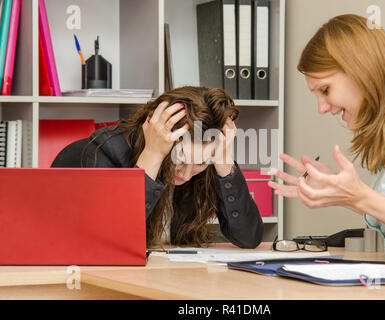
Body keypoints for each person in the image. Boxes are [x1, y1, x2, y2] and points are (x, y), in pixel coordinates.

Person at [268, 14, 385, 272]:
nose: (321, 108)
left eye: (325, 90)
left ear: (361, 69)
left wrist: (362, 198)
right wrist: (343, 194)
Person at [56, 86, 263, 249]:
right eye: (179, 159)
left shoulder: (209, 160)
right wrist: (152, 155)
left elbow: (248, 237)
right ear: (158, 134)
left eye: (200, 163)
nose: (187, 174)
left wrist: (223, 163)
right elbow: (109, 243)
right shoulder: (100, 154)